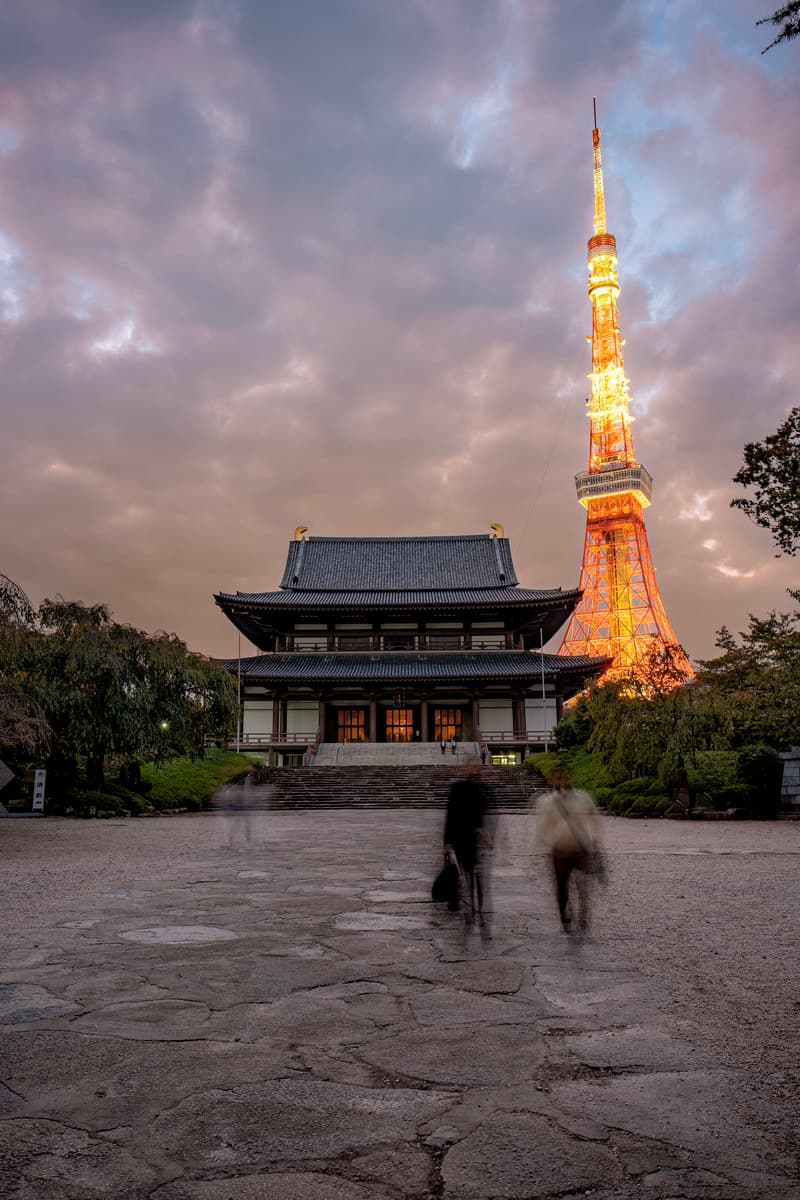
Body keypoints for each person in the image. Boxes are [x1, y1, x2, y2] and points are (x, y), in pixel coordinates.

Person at [536, 765, 602, 936]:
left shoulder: (582, 798)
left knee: (582, 884)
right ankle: (564, 911)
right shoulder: (548, 802)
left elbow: (593, 817)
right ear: (553, 781)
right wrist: (549, 840)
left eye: (564, 777)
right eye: (558, 778)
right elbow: (542, 827)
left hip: (580, 848)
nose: (562, 781)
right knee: (562, 887)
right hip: (559, 850)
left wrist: (594, 838)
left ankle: (583, 916)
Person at [443, 761, 494, 938]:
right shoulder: (457, 788)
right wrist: (446, 842)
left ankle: (479, 910)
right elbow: (450, 814)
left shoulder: (485, 789)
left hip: (478, 839)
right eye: (471, 767)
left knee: (480, 878)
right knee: (466, 877)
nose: (474, 770)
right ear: (465, 769)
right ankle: (469, 910)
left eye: (476, 767)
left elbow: (490, 815)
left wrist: (490, 836)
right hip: (461, 839)